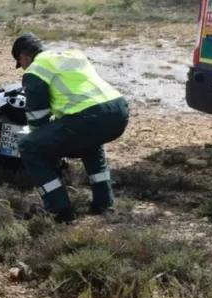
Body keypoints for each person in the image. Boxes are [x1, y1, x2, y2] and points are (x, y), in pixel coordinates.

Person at [11, 32, 129, 224]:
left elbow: (38, 116)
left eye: (20, 62)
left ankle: (60, 210)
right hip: (118, 110)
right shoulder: (71, 55)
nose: (22, 67)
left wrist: (41, 140)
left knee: (29, 147)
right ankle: (104, 203)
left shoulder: (35, 69)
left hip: (89, 116)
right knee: (90, 142)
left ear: (24, 56)